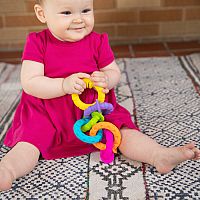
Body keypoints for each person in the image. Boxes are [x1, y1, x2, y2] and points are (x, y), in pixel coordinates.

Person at [0, 0, 200, 191]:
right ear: (42, 14)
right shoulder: (37, 42)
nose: (79, 19)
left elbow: (113, 72)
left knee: (121, 132)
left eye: (86, 10)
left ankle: (159, 155)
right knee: (30, 142)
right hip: (47, 113)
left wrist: (106, 79)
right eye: (67, 12)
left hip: (93, 111)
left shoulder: (97, 41)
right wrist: (63, 85)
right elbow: (30, 82)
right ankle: (8, 170)